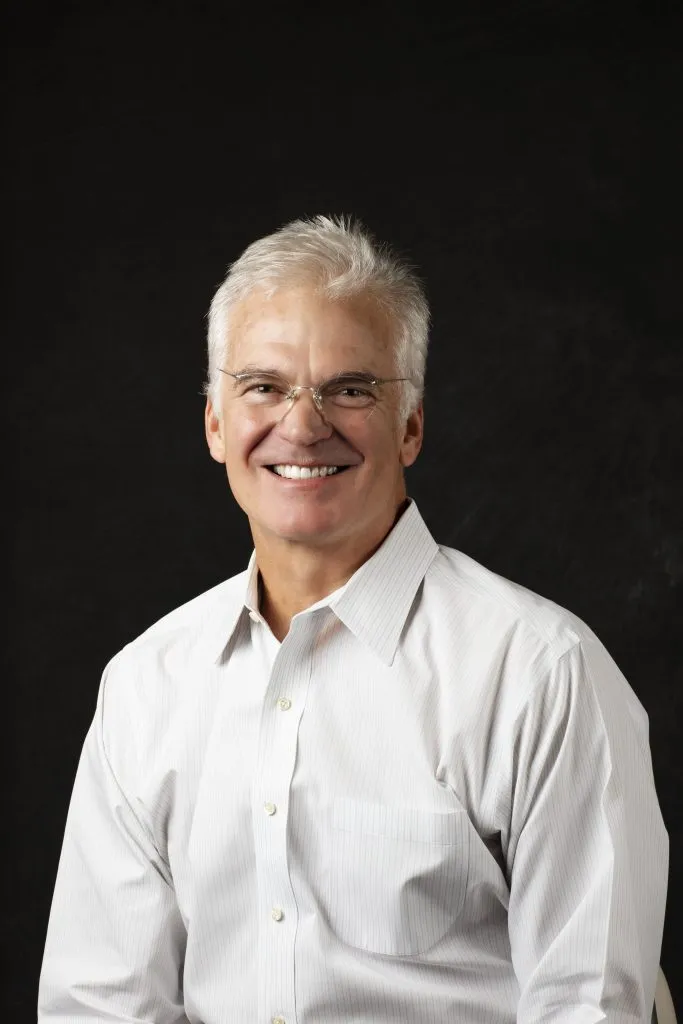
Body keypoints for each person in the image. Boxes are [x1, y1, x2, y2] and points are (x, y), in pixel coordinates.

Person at [38, 215, 668, 1023]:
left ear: (410, 425)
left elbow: (588, 1008)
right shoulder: (143, 687)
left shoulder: (540, 672)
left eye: (350, 388)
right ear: (214, 424)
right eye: (263, 386)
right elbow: (99, 1006)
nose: (302, 425)